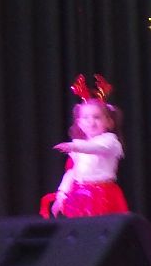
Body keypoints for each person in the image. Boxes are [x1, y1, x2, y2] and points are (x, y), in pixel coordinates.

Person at [46, 75, 129, 218]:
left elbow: (96, 148)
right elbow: (72, 172)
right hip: (79, 195)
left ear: (109, 122)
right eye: (85, 118)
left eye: (97, 117)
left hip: (103, 195)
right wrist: (61, 195)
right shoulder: (79, 145)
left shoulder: (110, 141)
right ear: (79, 123)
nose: (91, 122)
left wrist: (74, 147)